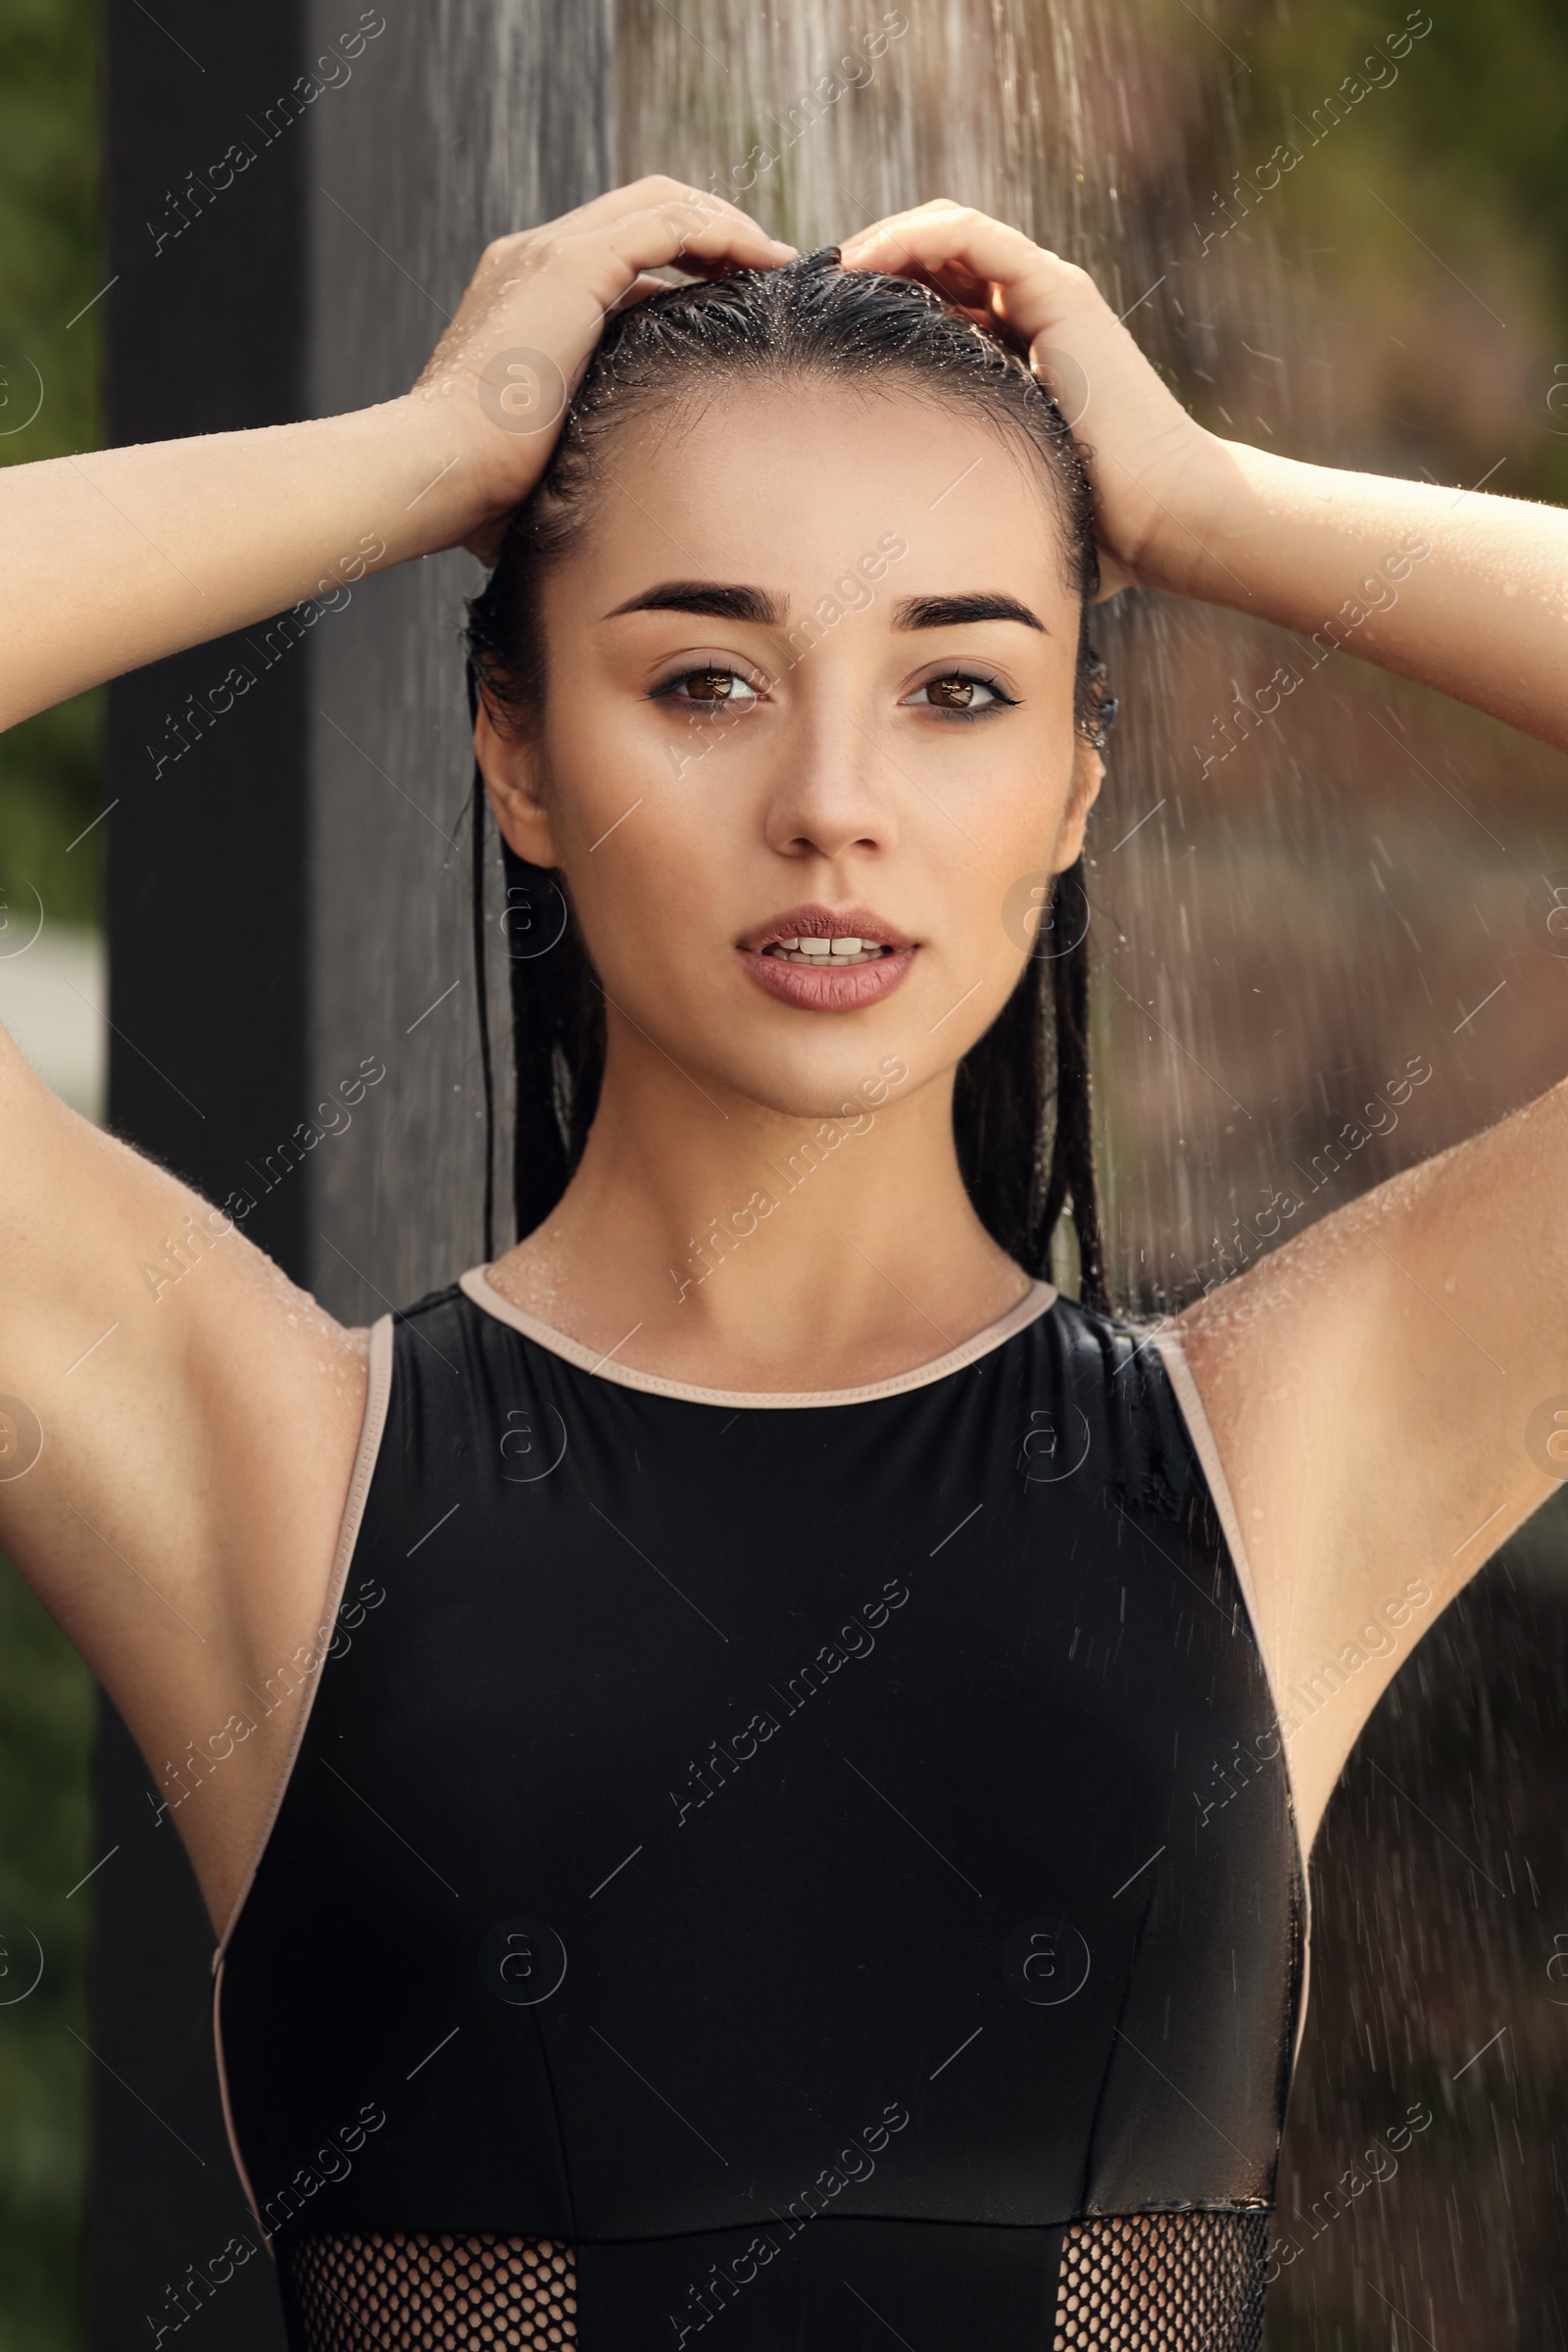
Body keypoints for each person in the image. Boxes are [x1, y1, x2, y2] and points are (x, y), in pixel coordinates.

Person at [1, 175, 1563, 2348]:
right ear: (518, 749)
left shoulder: (1274, 1460)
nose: (831, 799)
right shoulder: (271, 1470)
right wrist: (429, 455)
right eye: (707, 675)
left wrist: (1208, 504)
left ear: (1075, 783)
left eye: (956, 686)